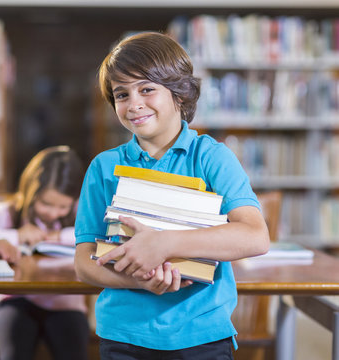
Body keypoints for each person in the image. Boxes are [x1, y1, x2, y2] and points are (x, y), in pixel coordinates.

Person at [74, 31, 270, 359]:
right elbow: (84, 263)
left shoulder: (211, 157)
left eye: (147, 89)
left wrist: (164, 244)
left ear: (179, 92)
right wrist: (143, 280)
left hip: (201, 333)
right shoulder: (103, 167)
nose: (134, 104)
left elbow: (255, 237)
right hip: (124, 334)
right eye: (121, 95)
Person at [0, 145, 89, 360]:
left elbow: (104, 235)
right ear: (30, 192)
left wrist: (61, 236)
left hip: (66, 304)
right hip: (15, 300)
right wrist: (16, 235)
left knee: (73, 350)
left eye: (62, 207)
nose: (53, 213)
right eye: (45, 203)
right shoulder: (12, 211)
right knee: (13, 350)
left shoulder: (81, 214)